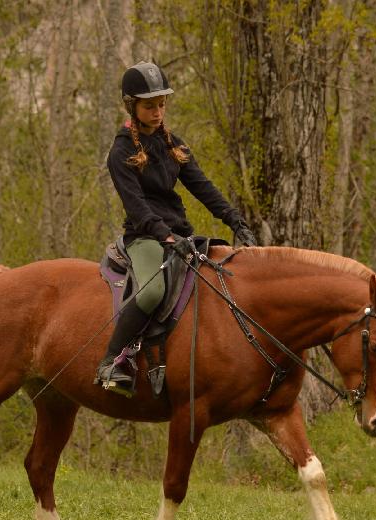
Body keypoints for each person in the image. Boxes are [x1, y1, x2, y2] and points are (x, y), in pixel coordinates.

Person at [95, 61, 259, 393]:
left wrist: (234, 219)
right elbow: (136, 206)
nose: (157, 112)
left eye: (161, 104)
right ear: (133, 106)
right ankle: (112, 362)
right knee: (154, 289)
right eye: (149, 106)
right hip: (144, 235)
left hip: (178, 232)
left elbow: (202, 186)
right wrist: (165, 236)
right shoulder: (122, 150)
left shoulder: (174, 145)